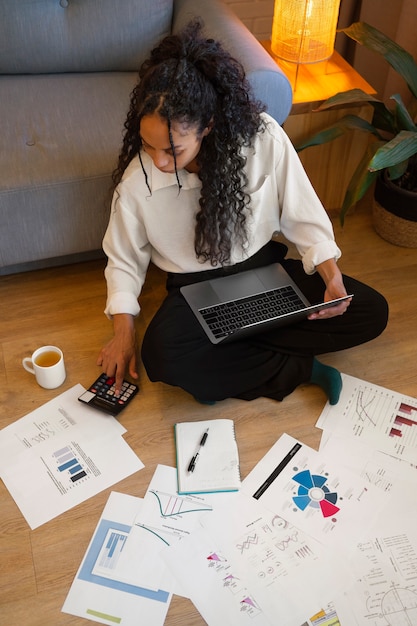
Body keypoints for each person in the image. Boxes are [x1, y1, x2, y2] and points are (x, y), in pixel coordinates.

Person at [97, 20, 388, 406]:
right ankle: (303, 369)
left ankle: (236, 344)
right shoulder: (139, 183)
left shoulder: (262, 137)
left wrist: (330, 276)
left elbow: (303, 212)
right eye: (148, 146)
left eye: (173, 150)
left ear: (208, 126)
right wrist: (123, 333)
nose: (159, 162)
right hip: (195, 290)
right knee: (163, 356)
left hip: (265, 274)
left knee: (371, 312)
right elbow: (124, 262)